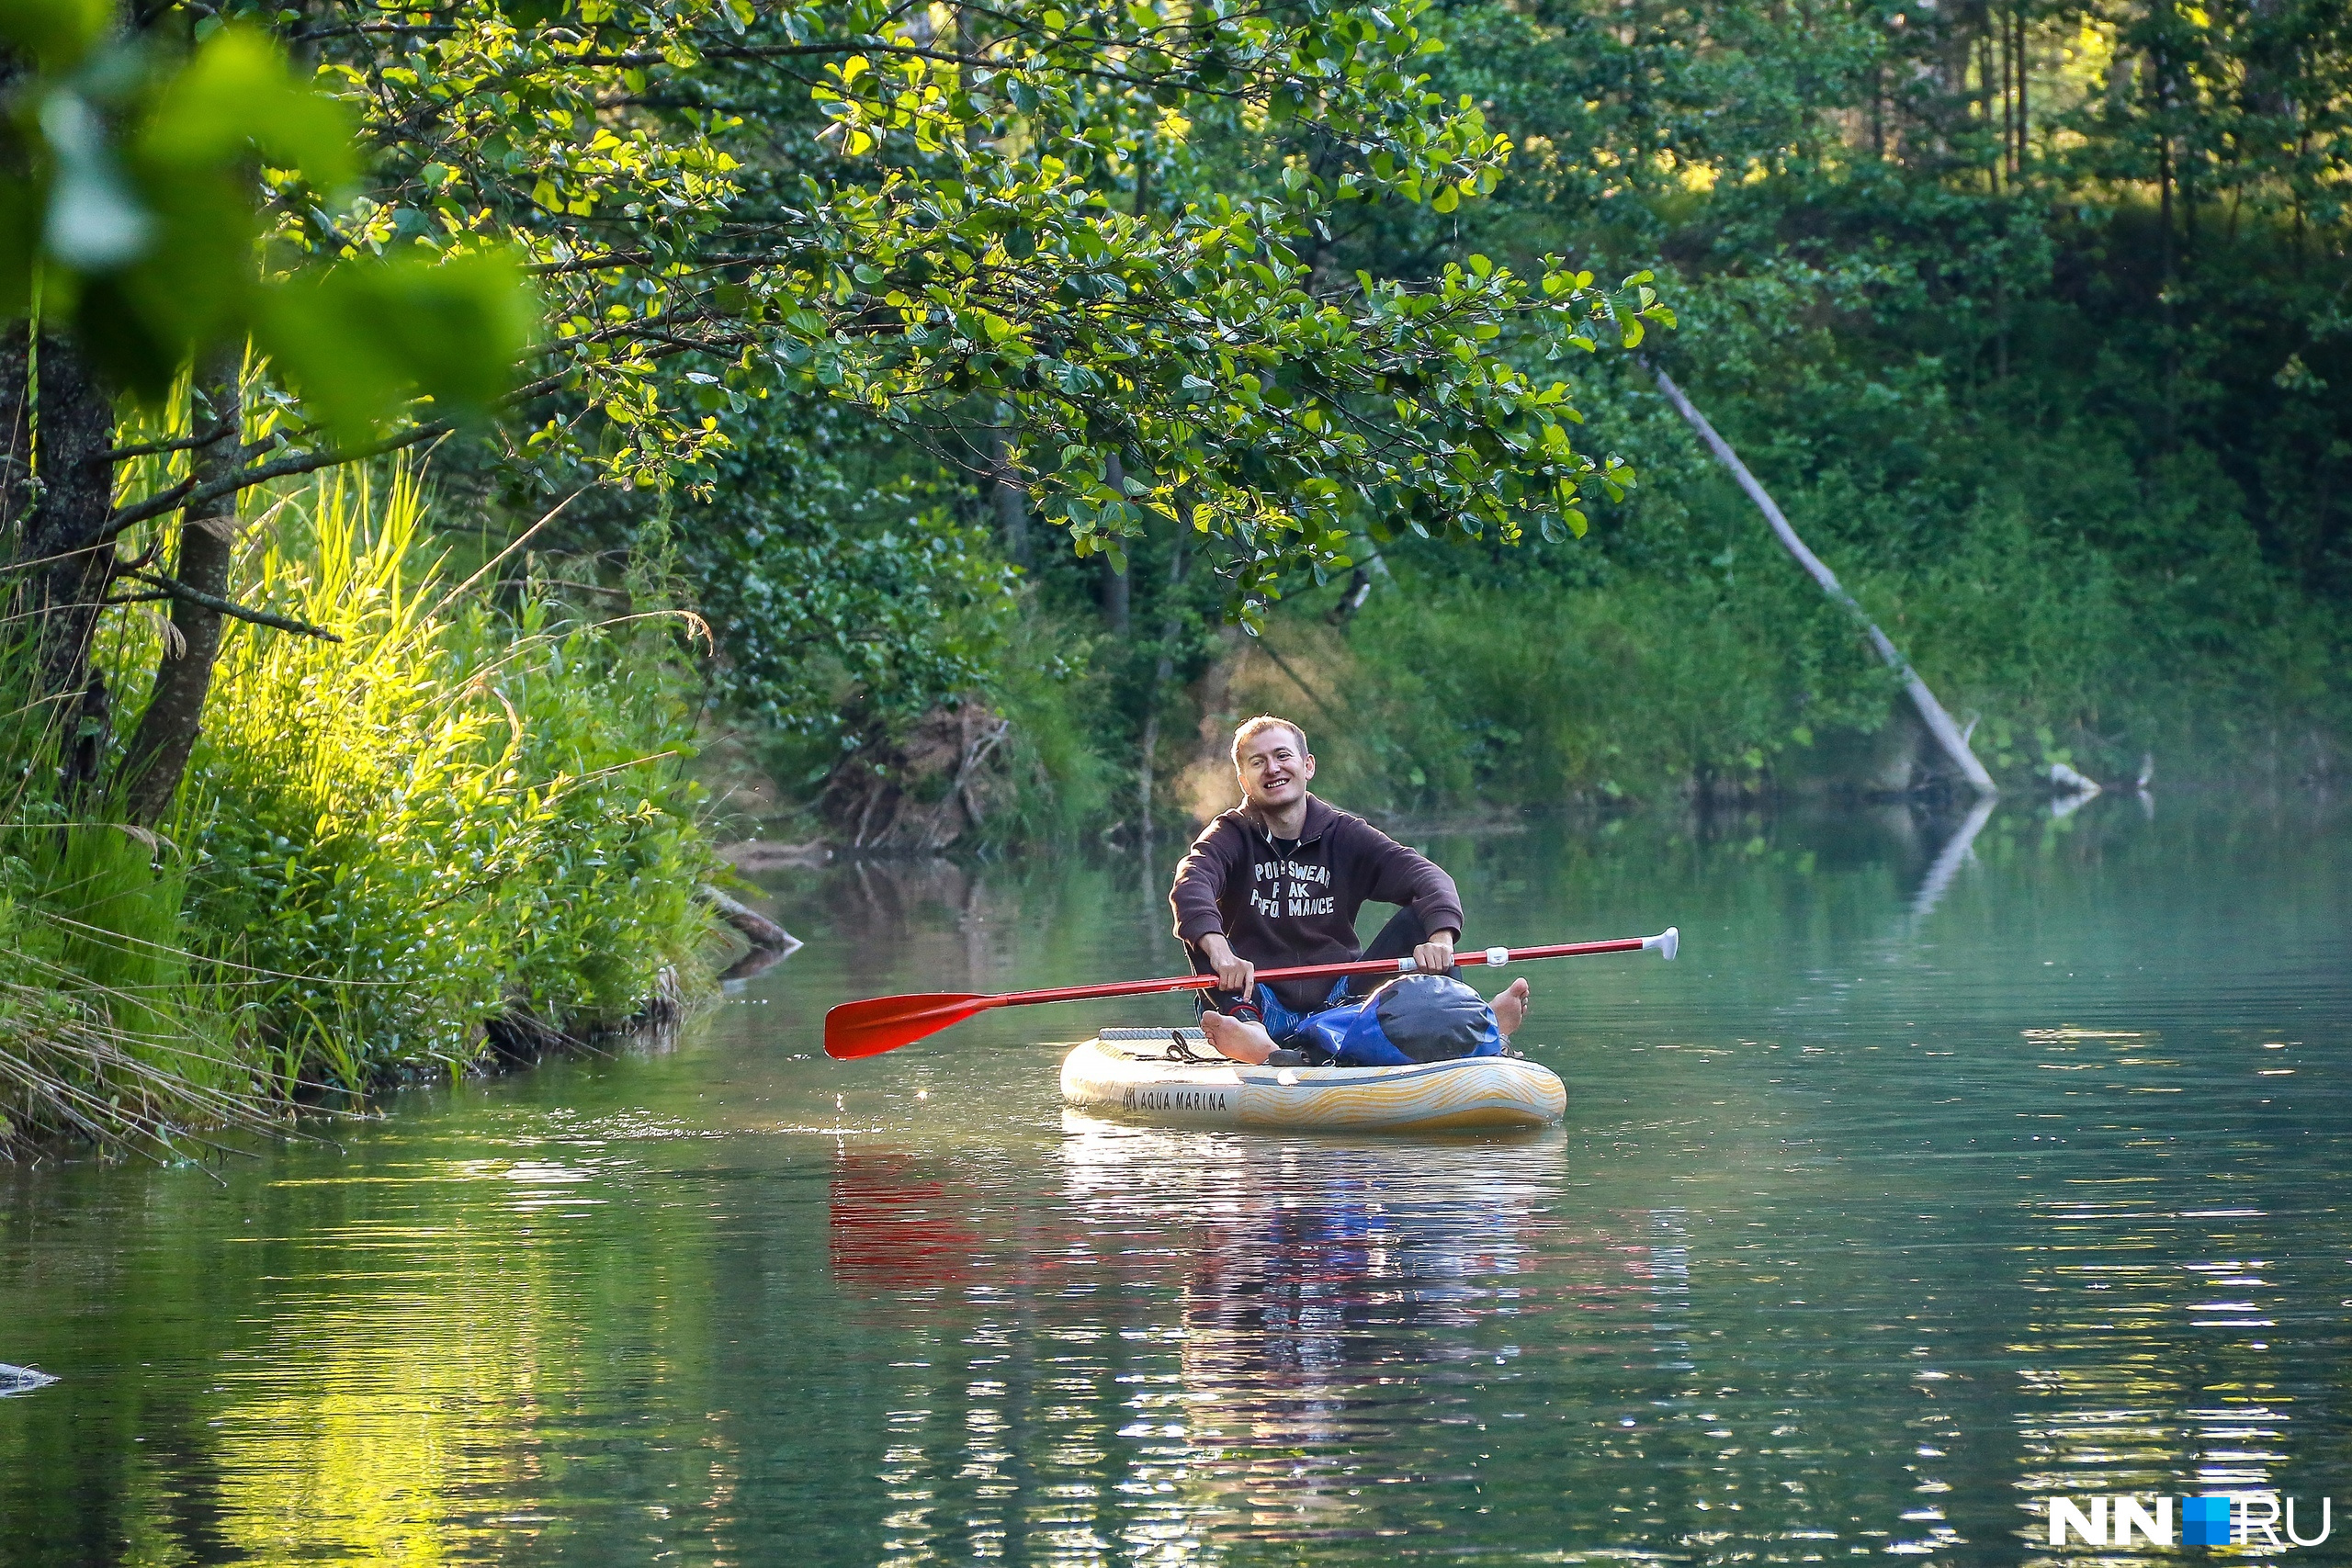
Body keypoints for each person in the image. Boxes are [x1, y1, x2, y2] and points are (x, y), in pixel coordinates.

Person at [1169, 714, 1529, 1065]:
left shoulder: (1344, 833)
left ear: (1307, 766)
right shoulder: (1229, 835)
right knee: (1201, 935)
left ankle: (1475, 1024)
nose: (1273, 769)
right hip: (1255, 998)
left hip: (1345, 997)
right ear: (1244, 780)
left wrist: (1440, 940)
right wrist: (1221, 953)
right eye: (1257, 762)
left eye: (1282, 756)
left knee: (1424, 917)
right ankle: (1256, 1043)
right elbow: (1190, 884)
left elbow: (1428, 877)